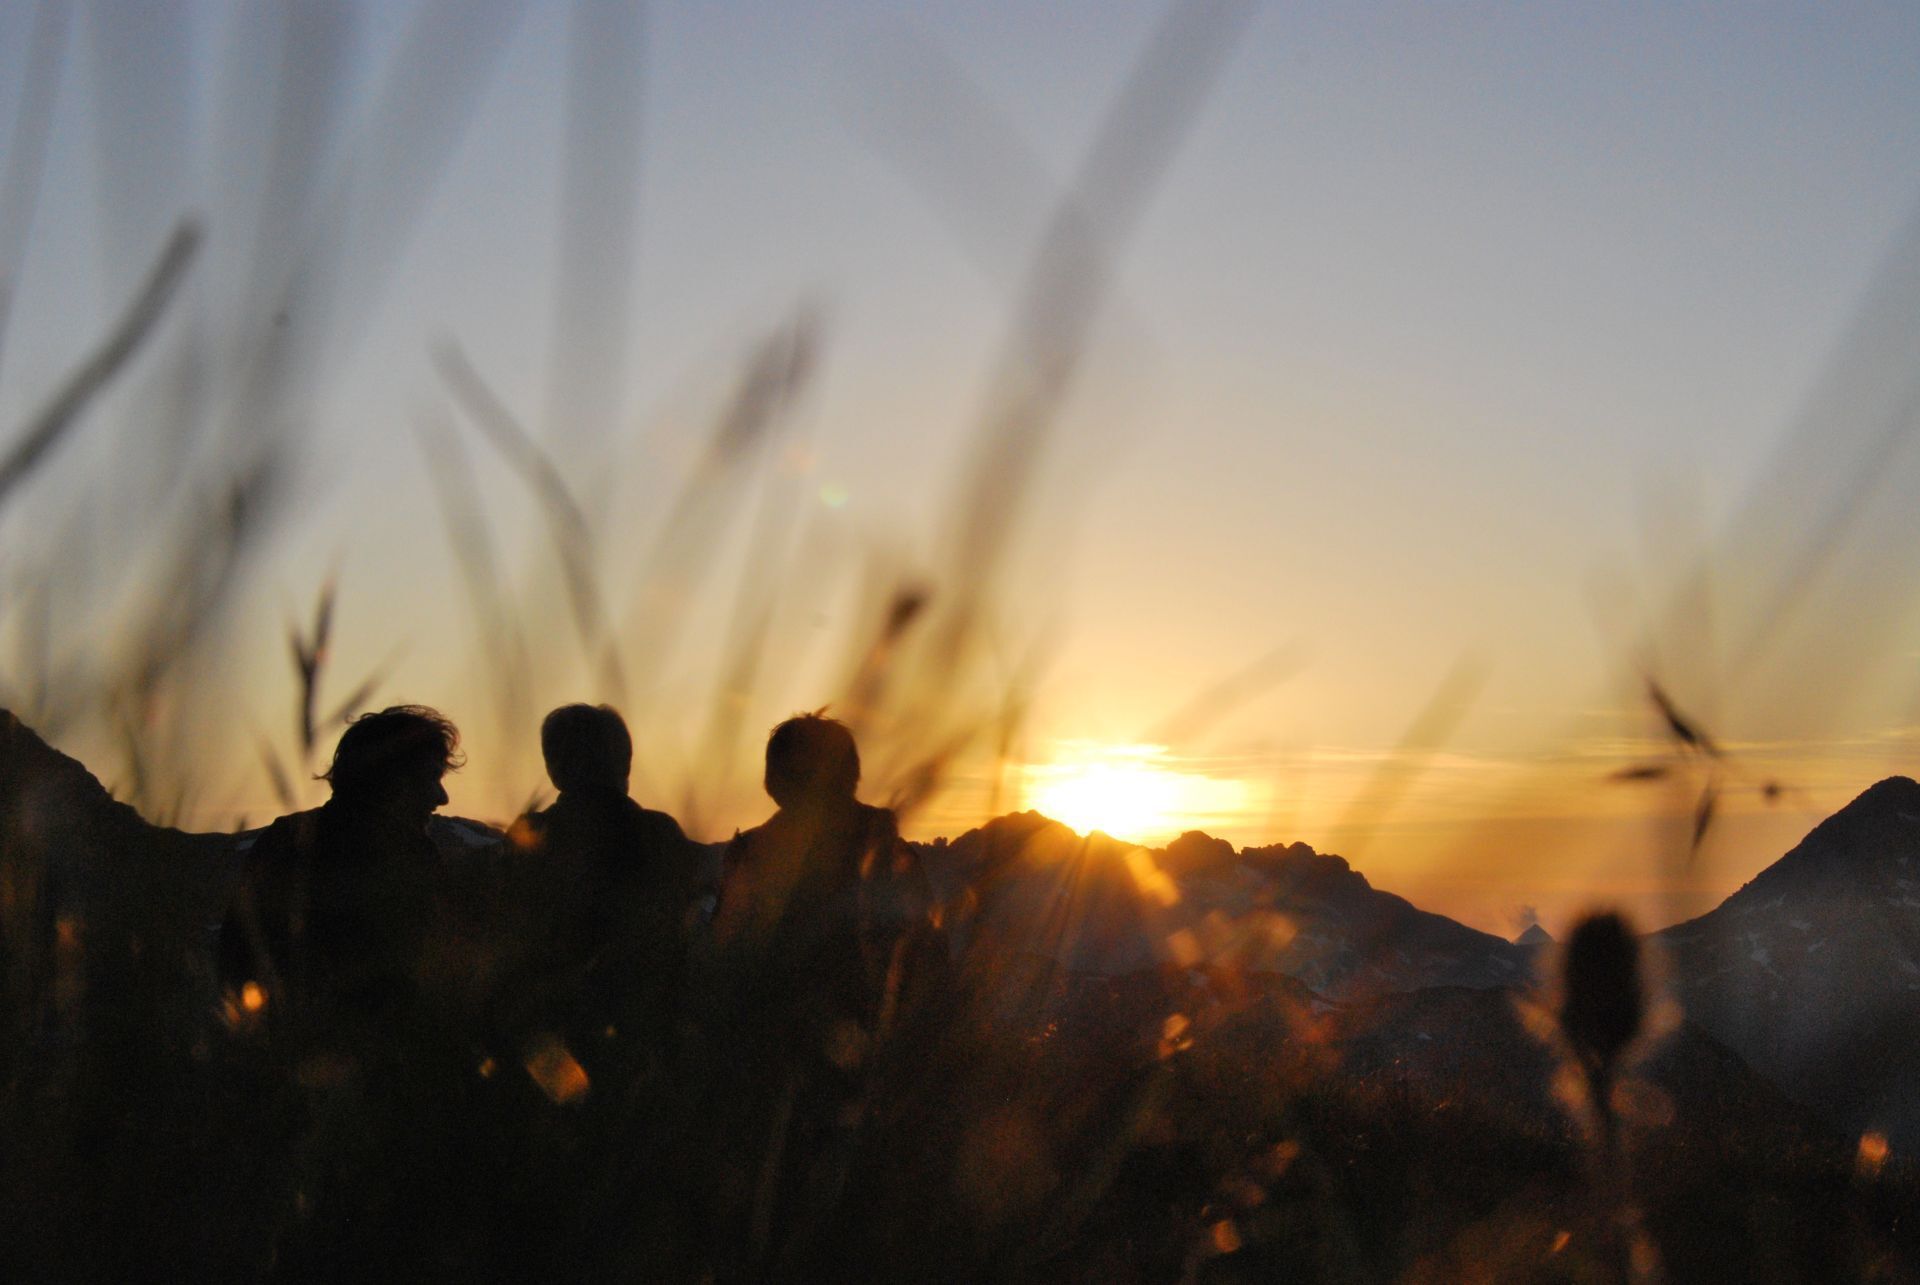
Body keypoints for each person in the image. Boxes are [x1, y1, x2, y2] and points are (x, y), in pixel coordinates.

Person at [706, 713, 936, 1277]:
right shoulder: (891, 859)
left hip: (768, 1082)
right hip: (871, 1081)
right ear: (851, 776)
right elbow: (926, 965)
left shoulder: (755, 856)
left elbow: (722, 962)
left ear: (774, 783)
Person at [504, 703, 701, 1080]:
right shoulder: (658, 833)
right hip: (640, 1036)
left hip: (546, 1039)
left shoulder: (531, 835)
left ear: (554, 768)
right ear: (624, 763)